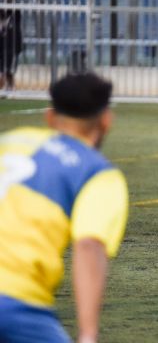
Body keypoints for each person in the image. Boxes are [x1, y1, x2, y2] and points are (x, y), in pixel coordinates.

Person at [0, 72, 129, 343]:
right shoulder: (97, 173)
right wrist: (88, 334)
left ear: (49, 117)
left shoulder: (10, 141)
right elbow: (89, 246)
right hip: (13, 300)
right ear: (106, 120)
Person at [0, 0, 23, 95]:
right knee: (2, 71)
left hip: (12, 47)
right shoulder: (1, 15)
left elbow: (17, 12)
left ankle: (11, 89)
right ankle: (5, 89)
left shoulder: (15, 16)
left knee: (9, 71)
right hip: (2, 47)